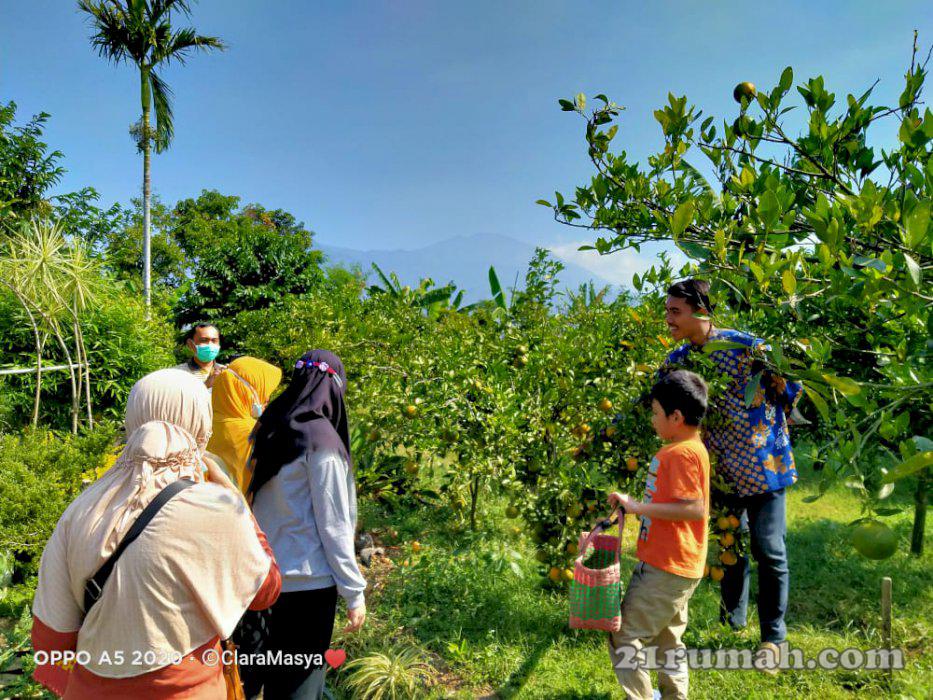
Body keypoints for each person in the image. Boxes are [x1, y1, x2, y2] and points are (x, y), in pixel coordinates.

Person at [31, 369, 281, 699]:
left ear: (133, 417)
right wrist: (238, 502)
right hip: (187, 688)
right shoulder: (214, 505)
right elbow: (266, 588)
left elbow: (53, 634)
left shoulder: (84, 508)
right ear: (199, 423)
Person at [659, 278, 803, 671]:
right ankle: (731, 623)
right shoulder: (677, 362)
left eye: (675, 311)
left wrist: (774, 420)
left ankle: (773, 638)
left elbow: (791, 389)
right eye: (667, 310)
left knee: (768, 548)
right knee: (729, 547)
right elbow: (656, 405)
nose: (668, 318)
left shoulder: (747, 348)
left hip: (764, 466)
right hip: (719, 471)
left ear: (702, 312)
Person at [241, 350, 367, 700]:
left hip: (263, 580)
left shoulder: (268, 428)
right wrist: (354, 592)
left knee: (261, 682)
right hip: (308, 588)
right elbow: (334, 525)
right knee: (299, 686)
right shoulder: (322, 441)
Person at [607, 370, 710, 700]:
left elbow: (694, 508)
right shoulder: (691, 449)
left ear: (675, 417)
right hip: (679, 564)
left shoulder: (680, 454)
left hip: (667, 565)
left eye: (655, 412)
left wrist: (637, 507)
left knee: (624, 635)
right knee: (667, 641)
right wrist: (634, 507)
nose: (652, 419)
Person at [207, 356, 283, 493]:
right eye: (263, 393)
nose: (266, 399)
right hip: (243, 505)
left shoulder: (202, 423)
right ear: (246, 392)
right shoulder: (257, 432)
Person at [175, 322, 226, 389]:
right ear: (190, 344)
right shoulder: (177, 373)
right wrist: (206, 385)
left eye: (214, 341)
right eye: (204, 340)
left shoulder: (226, 371)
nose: (210, 345)